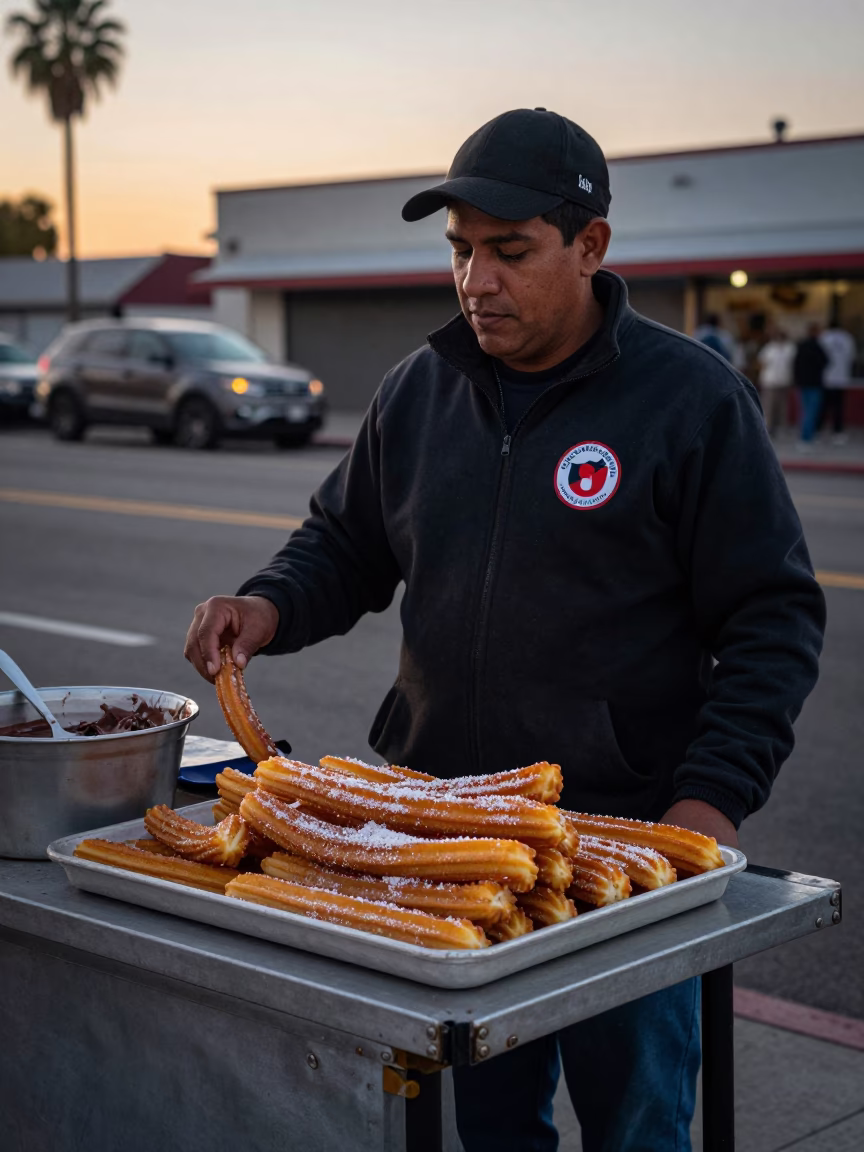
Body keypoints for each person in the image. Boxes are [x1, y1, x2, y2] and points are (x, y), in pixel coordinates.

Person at [184, 109, 825, 1152]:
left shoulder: (691, 401)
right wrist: (269, 603)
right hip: (436, 851)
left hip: (613, 855)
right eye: (460, 251)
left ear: (590, 246)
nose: (476, 281)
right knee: (485, 1129)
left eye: (510, 252)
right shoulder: (421, 389)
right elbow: (342, 546)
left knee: (639, 1129)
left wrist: (710, 803)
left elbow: (774, 617)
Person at [818, 320, 857, 443]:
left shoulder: (823, 337)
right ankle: (837, 431)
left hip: (826, 377)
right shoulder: (847, 338)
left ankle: (818, 429)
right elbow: (852, 357)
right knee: (838, 406)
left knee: (823, 405)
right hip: (841, 378)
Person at [756, 327, 796, 436]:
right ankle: (768, 427)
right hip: (770, 381)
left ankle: (780, 427)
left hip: (784, 381)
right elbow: (761, 363)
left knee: (782, 406)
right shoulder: (769, 348)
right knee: (769, 405)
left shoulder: (790, 348)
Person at [794, 323, 828, 446]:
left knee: (803, 411)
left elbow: (795, 364)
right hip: (814, 383)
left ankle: (804, 435)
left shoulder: (801, 346)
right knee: (811, 411)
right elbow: (826, 361)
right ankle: (806, 437)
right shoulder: (818, 346)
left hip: (802, 383)